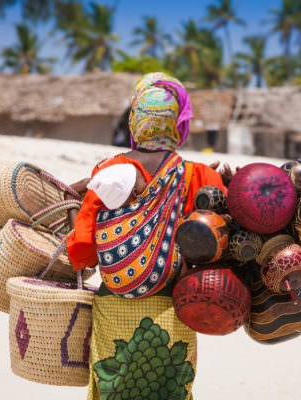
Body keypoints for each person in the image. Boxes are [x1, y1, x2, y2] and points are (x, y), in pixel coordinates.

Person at [66, 72, 227, 400]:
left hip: (114, 305)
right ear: (177, 124)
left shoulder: (107, 171)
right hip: (173, 306)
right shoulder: (198, 174)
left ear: (134, 123)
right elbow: (220, 231)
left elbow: (84, 249)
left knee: (114, 390)